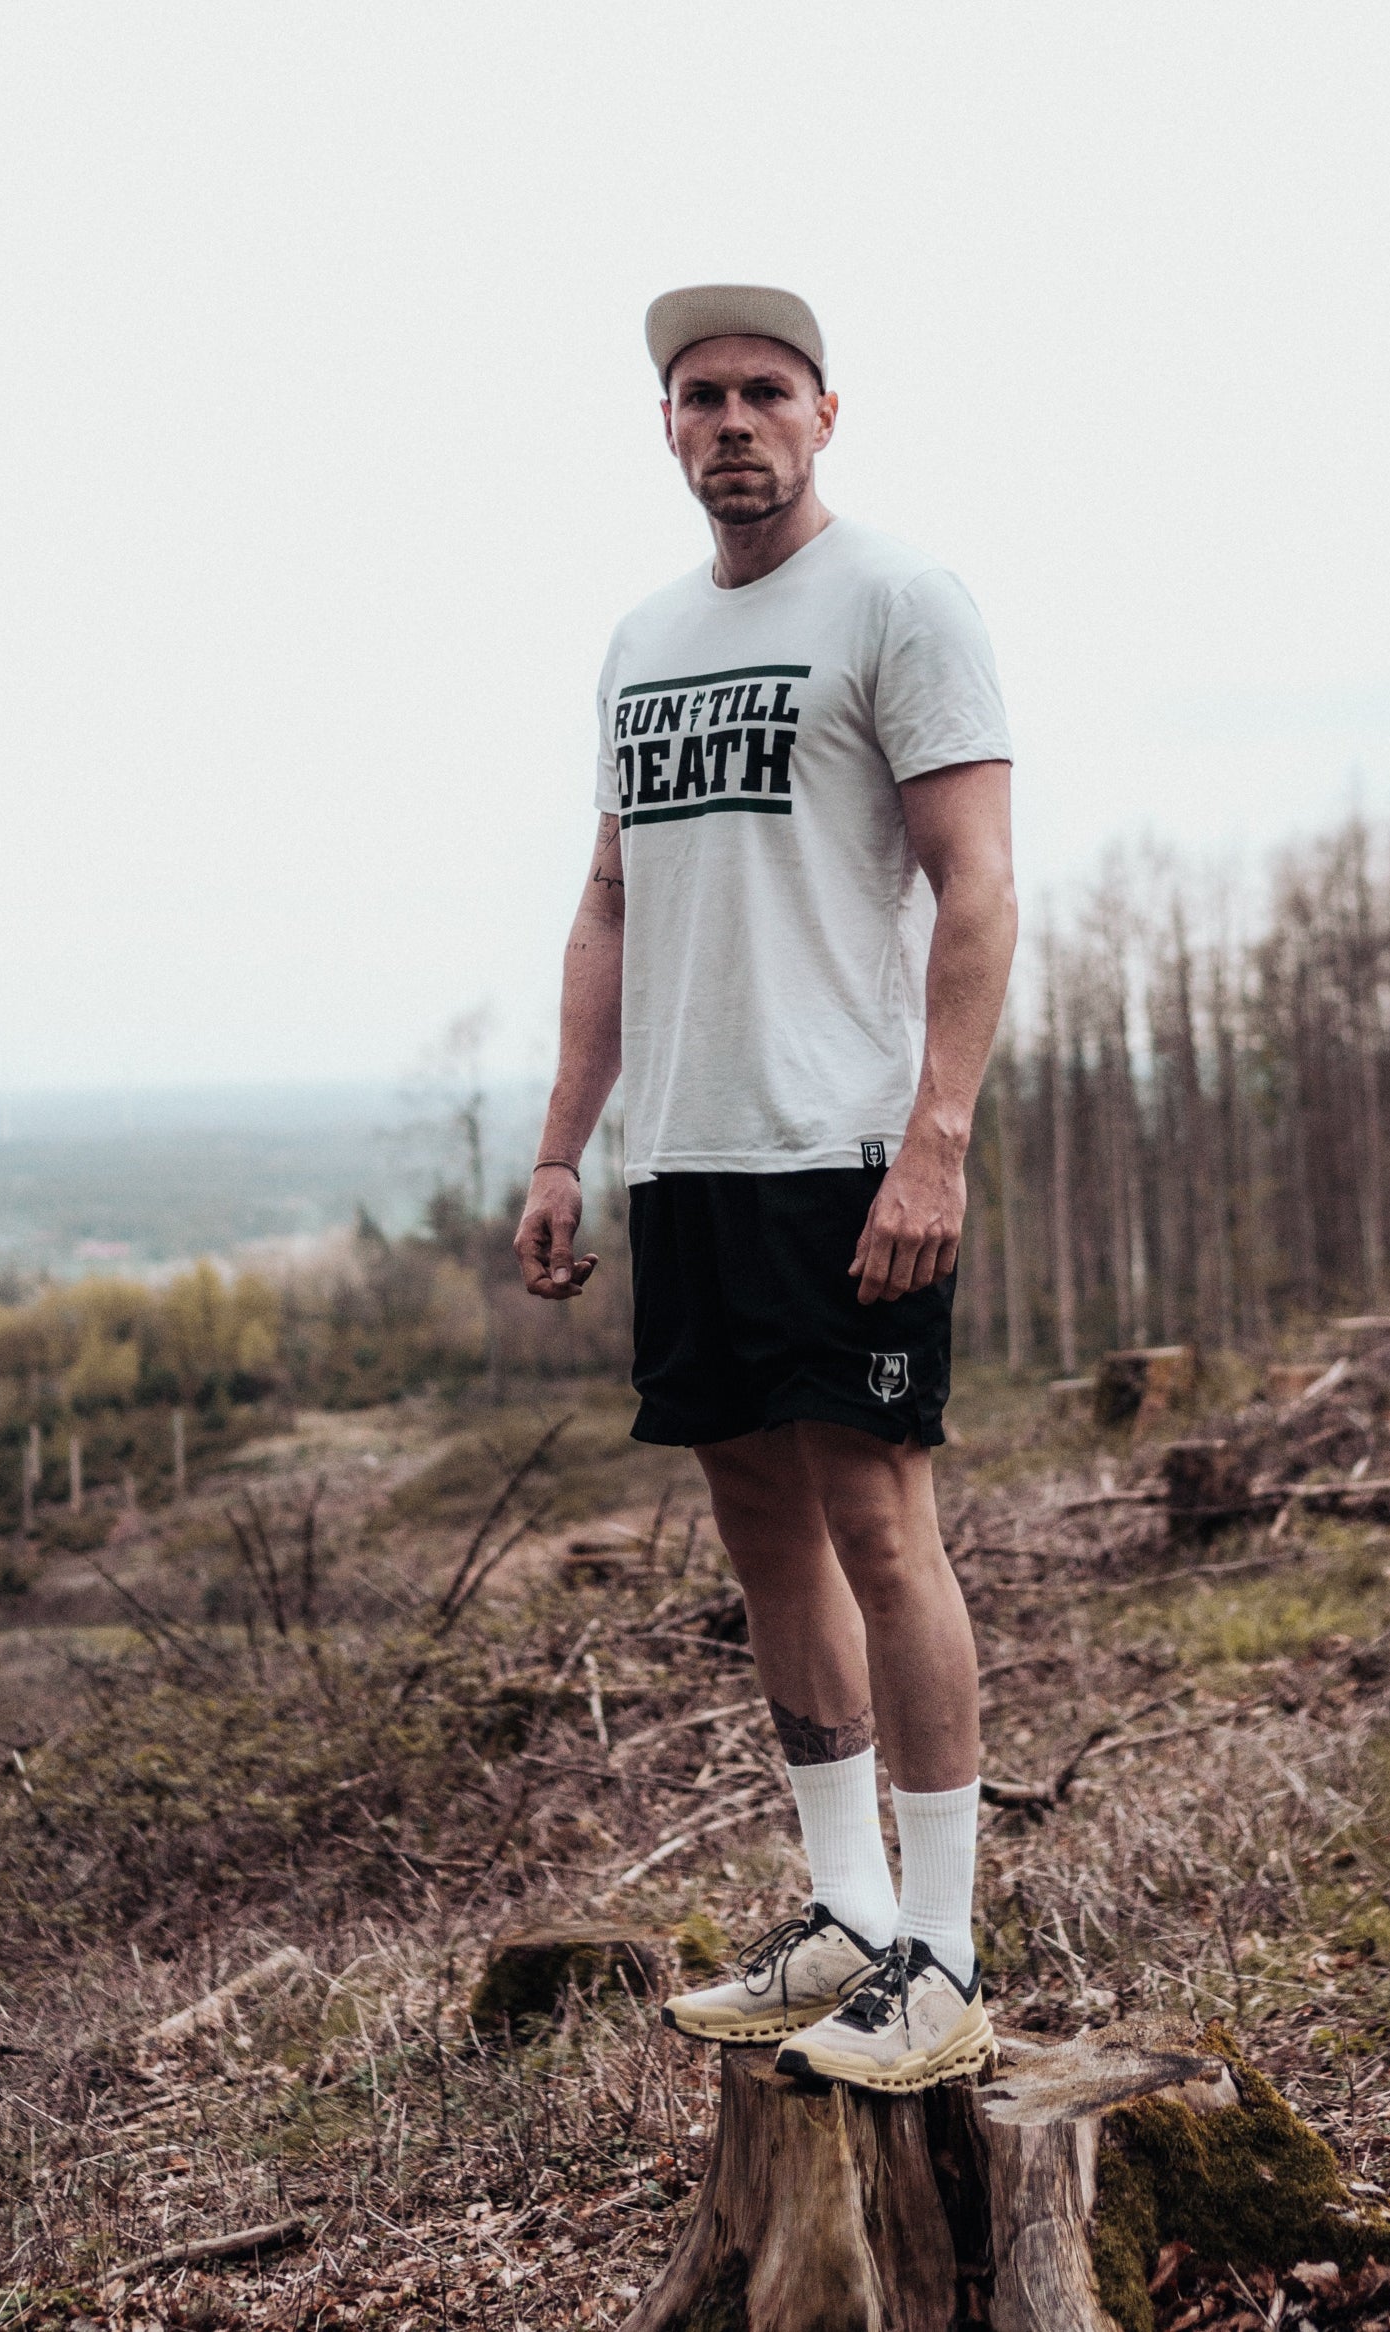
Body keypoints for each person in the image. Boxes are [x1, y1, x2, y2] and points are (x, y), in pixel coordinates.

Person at [514, 284, 1016, 2092]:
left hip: (844, 1154)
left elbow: (978, 884)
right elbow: (611, 902)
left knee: (885, 1527)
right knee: (758, 1525)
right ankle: (847, 1913)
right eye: (699, 395)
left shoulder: (899, 601)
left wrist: (935, 1136)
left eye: (764, 392)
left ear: (824, 413)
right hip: (694, 1162)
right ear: (667, 429)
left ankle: (949, 1955)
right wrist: (572, 1142)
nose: (732, 419)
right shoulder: (642, 638)